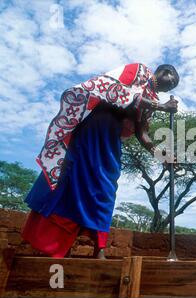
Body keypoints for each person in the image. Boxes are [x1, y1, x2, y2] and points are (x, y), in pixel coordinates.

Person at [22, 63, 179, 259]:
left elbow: (142, 133)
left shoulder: (152, 100)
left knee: (106, 188)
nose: (170, 88)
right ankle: (57, 245)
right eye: (172, 82)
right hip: (91, 129)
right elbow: (116, 92)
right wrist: (162, 107)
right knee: (70, 181)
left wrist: (161, 155)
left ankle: (99, 245)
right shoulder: (137, 71)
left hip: (110, 141)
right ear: (165, 72)